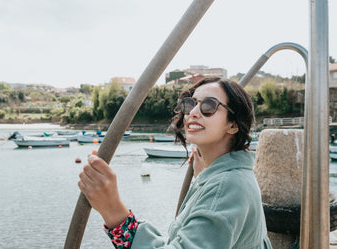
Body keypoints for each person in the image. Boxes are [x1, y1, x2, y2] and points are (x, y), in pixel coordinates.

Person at [78, 77, 273, 249]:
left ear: (233, 125)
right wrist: (203, 176)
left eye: (209, 106)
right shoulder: (224, 176)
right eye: (190, 104)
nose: (193, 113)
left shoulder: (227, 186)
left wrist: (113, 210)